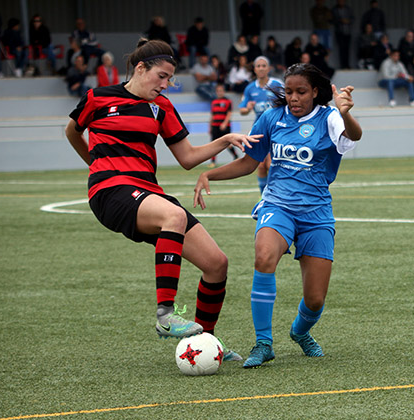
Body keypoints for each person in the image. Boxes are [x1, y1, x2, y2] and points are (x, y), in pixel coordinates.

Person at [65, 39, 259, 357]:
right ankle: (165, 316)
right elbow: (73, 130)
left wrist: (225, 139)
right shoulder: (97, 98)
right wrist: (95, 164)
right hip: (109, 191)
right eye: (161, 76)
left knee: (217, 264)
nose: (166, 84)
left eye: (170, 78)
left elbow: (187, 157)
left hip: (146, 192)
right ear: (140, 68)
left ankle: (205, 345)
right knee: (174, 215)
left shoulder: (161, 107)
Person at [193, 63, 362, 369]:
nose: (294, 98)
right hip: (277, 205)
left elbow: (355, 136)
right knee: (264, 256)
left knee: (315, 300)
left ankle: (300, 332)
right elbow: (248, 162)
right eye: (289, 91)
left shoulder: (330, 117)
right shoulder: (270, 118)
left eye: (301, 92)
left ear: (314, 92)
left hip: (317, 213)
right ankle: (263, 343)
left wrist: (346, 112)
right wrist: (210, 175)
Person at [239, 56, 284, 193]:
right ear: (254, 69)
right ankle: (263, 197)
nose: (261, 68)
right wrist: (248, 108)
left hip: (276, 130)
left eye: (264, 65)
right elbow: (242, 110)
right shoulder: (250, 88)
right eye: (258, 66)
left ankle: (277, 194)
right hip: (259, 131)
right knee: (260, 166)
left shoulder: (277, 84)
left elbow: (287, 103)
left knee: (272, 165)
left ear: (269, 68)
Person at [208, 83, 238, 167]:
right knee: (213, 143)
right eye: (218, 91)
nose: (219, 92)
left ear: (223, 92)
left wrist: (224, 123)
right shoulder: (214, 102)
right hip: (215, 125)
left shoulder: (228, 101)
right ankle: (213, 162)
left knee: (228, 143)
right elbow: (212, 115)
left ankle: (236, 157)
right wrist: (210, 126)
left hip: (225, 126)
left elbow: (229, 113)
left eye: (221, 91)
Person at [332, 0, 354, 69]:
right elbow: (332, 20)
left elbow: (353, 19)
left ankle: (347, 64)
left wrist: (348, 21)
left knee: (347, 49)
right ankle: (342, 65)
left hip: (347, 32)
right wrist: (340, 21)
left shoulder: (348, 9)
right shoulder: (335, 9)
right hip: (339, 32)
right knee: (341, 49)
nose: (341, 2)